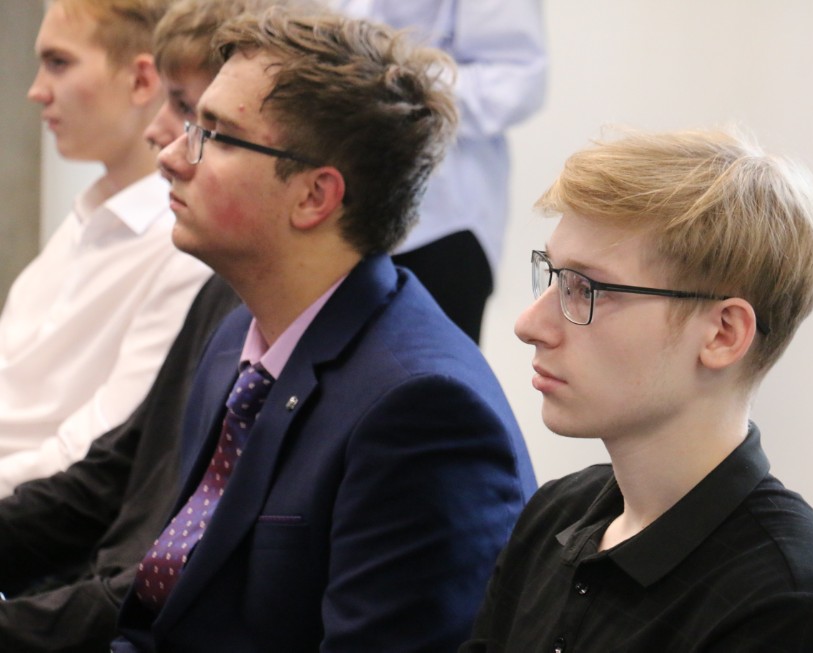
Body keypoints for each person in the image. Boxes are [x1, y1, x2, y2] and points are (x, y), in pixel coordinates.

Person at [114, 8, 536, 652]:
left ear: (314, 196)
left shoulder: (423, 413)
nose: (172, 155)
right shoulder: (238, 337)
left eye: (216, 136)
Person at [462, 128, 813, 651]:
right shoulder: (552, 516)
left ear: (722, 334)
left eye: (585, 288)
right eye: (552, 276)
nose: (530, 324)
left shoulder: (795, 605)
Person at [0, 1, 253, 650]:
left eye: (195, 117)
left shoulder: (192, 260)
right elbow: (109, 472)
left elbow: (158, 568)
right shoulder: (222, 297)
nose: (163, 141)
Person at [0, 0, 211, 496]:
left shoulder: (183, 246)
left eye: (59, 63)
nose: (36, 90)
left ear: (141, 80)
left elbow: (98, 453)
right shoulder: (88, 215)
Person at [333, 0, 547, 342]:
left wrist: (388, 82)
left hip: (439, 223)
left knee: (425, 366)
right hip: (340, 205)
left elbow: (517, 79)